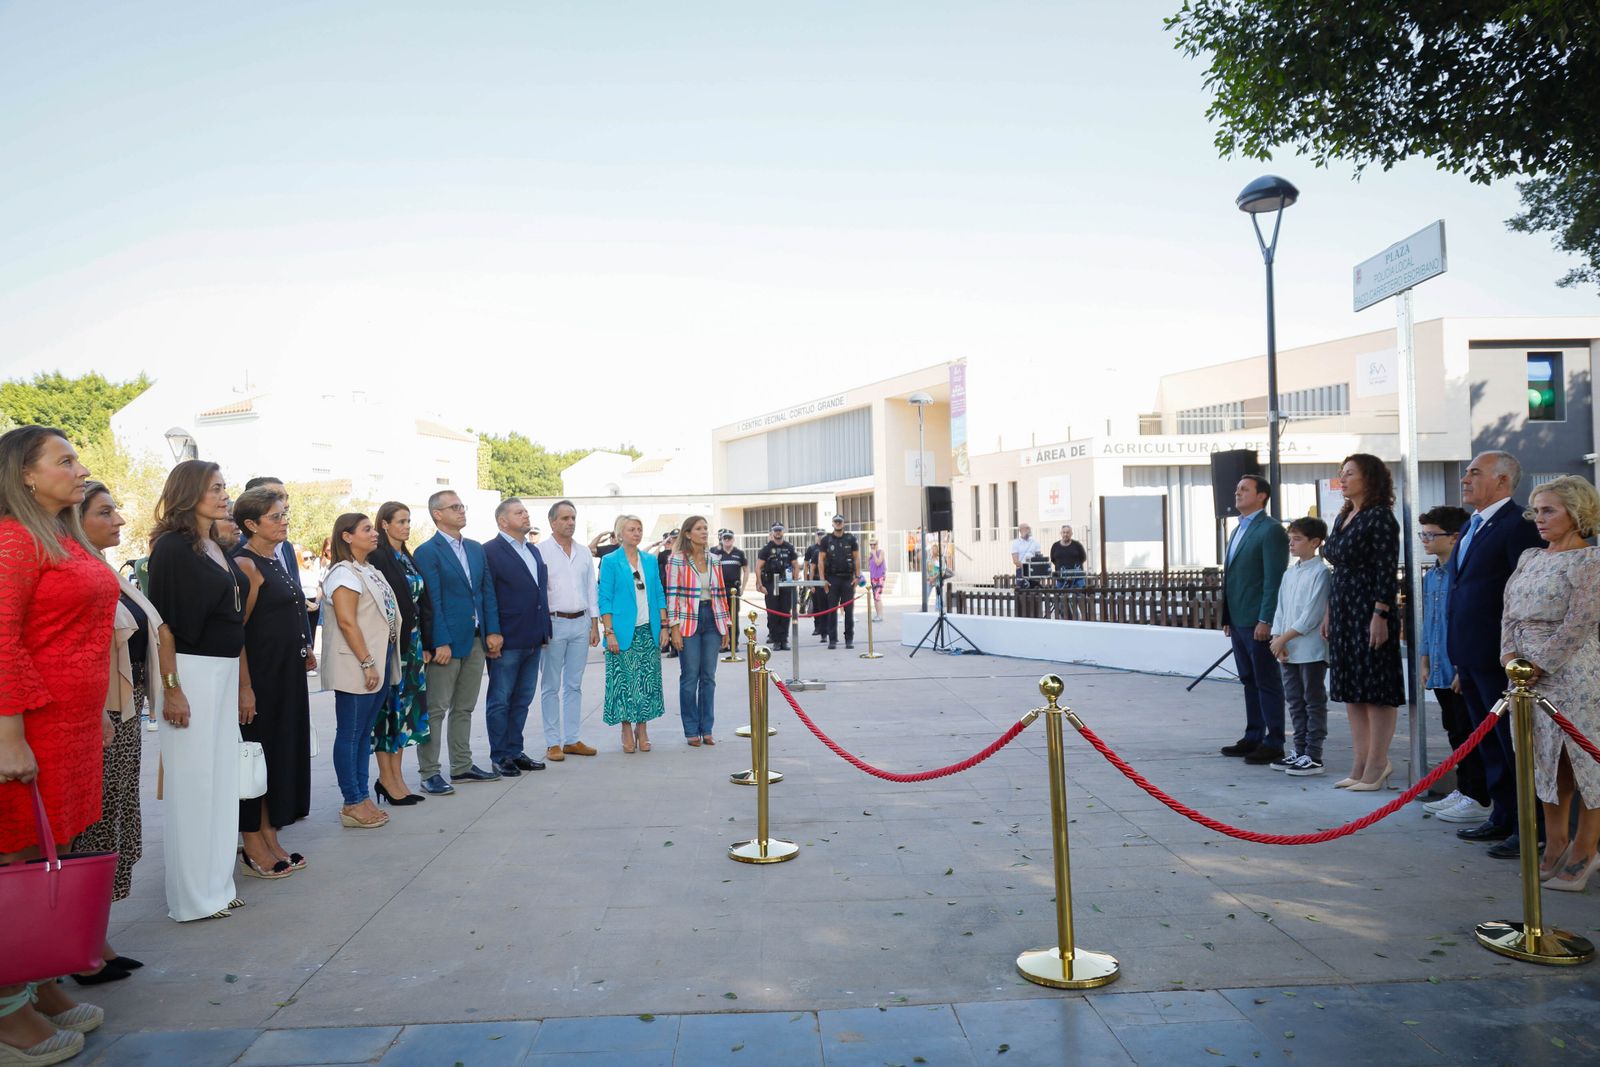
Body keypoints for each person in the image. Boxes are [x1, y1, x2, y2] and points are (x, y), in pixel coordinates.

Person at [0, 427, 120, 1059]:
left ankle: (38, 980)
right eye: (64, 460)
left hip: (69, 727)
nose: (79, 469)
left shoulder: (60, 534)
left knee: (52, 853)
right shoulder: (14, 538)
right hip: (30, 727)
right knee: (17, 860)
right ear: (25, 474)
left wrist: (94, 711)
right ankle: (6, 1012)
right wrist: (9, 736)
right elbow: (1, 639)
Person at [146, 459, 253, 922]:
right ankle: (192, 898)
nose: (225, 495)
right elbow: (164, 626)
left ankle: (217, 887)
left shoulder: (214, 544)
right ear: (189, 492)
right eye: (215, 488)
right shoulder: (171, 548)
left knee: (220, 783)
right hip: (190, 671)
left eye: (225, 486)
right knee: (192, 786)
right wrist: (172, 689)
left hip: (222, 671)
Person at [71, 481, 165, 986]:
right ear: (75, 518)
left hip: (124, 711)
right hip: (98, 714)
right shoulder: (71, 569)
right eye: (105, 512)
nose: (120, 521)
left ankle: (93, 940)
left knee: (117, 819)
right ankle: (78, 947)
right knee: (95, 827)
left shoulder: (103, 569)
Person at [1500, 476, 1600, 891]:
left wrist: (1538, 664)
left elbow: (1581, 621)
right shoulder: (1529, 557)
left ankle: (1586, 848)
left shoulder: (1590, 560)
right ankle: (1555, 841)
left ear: (1576, 513)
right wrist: (1510, 657)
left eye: (1548, 510)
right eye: (1536, 510)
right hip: (1523, 674)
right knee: (1543, 759)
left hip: (1573, 672)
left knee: (1582, 761)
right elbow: (1509, 612)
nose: (1538, 518)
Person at [1447, 451, 1545, 858]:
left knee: (1512, 743)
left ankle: (1531, 827)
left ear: (1503, 481)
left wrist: (1515, 653)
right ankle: (1503, 815)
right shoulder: (1472, 523)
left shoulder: (1519, 525)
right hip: (1470, 652)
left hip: (1501, 656)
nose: (1465, 479)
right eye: (1466, 472)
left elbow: (1523, 593)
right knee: (1488, 742)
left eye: (1475, 473)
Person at [232, 487, 314, 876]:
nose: (284, 521)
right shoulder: (245, 564)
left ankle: (271, 835)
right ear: (251, 524)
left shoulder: (276, 557)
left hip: (287, 674)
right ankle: (253, 844)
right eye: (275, 516)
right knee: (259, 758)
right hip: (261, 679)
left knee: (280, 756)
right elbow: (237, 632)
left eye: (284, 515)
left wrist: (303, 645)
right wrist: (245, 687)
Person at [1322, 453, 1405, 792]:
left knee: (1375, 689)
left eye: (1350, 473)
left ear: (1369, 478)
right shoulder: (1344, 516)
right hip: (1344, 608)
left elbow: (1386, 569)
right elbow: (1337, 569)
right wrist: (1330, 611)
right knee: (1351, 690)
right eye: (1341, 473)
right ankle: (1359, 762)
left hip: (1370, 608)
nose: (1342, 479)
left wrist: (1380, 613)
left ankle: (1378, 762)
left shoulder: (1380, 517)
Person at [412, 490, 503, 793]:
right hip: (446, 644)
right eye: (454, 507)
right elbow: (431, 601)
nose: (461, 511)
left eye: (462, 506)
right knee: (436, 709)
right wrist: (439, 640)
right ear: (437, 514)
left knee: (464, 707)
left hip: (475, 639)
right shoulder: (428, 552)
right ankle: (429, 772)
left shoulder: (475, 548)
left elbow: (486, 591)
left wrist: (492, 630)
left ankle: (462, 766)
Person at [321, 513, 402, 830]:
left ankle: (362, 796)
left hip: (379, 660)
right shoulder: (343, 573)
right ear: (347, 536)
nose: (374, 533)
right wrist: (367, 662)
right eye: (366, 529)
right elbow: (347, 622)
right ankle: (352, 801)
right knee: (351, 733)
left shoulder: (368, 569)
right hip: (358, 663)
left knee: (363, 733)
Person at [1416, 506, 1491, 825]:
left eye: (1431, 534)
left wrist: (1461, 666)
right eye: (1423, 534)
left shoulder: (1462, 574)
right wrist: (1424, 660)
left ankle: (1479, 796)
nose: (1425, 540)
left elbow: (1464, 622)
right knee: (1454, 731)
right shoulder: (1430, 576)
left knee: (1470, 730)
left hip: (1459, 665)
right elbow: (1428, 621)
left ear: (1454, 537)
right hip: (1438, 665)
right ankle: (1464, 788)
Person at [1218, 475, 1289, 766]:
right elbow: (1232, 577)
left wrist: (1266, 619)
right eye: (1237, 488)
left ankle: (1274, 741)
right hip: (1238, 619)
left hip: (1257, 620)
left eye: (1244, 489)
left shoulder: (1270, 530)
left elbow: (1273, 578)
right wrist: (1227, 616)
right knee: (1248, 679)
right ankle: (1253, 736)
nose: (1237, 493)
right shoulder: (1238, 529)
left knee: (1266, 680)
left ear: (1262, 496)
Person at [482, 499, 551, 777]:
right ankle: (500, 755)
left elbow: (539, 592)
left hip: (533, 636)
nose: (525, 515)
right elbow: (487, 595)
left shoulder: (532, 550)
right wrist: (492, 631)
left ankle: (514, 750)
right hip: (506, 638)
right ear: (502, 520)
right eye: (518, 512)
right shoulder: (490, 551)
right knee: (500, 699)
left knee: (522, 699)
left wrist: (544, 629)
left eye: (526, 512)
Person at [369, 502, 432, 804]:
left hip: (414, 645)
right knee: (389, 713)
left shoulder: (406, 557)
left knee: (406, 713)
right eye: (401, 521)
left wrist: (427, 643)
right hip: (392, 645)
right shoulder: (378, 557)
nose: (407, 527)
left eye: (408, 521)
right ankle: (386, 778)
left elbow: (421, 601)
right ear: (384, 524)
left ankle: (398, 779)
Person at [535, 500, 600, 761]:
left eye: (573, 517)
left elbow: (591, 589)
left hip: (581, 623)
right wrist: (541, 628)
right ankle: (553, 742)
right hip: (554, 623)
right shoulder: (540, 552)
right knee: (550, 685)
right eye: (564, 518)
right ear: (552, 522)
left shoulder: (583, 552)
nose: (570, 522)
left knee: (574, 684)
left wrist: (594, 624)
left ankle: (572, 739)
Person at [597, 515, 669, 753]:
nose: (636, 533)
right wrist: (609, 632)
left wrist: (664, 625)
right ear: (620, 534)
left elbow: (659, 593)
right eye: (631, 529)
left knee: (647, 682)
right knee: (623, 683)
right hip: (621, 632)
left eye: (639, 529)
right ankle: (626, 728)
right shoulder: (610, 561)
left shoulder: (650, 560)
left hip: (649, 629)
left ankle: (643, 727)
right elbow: (604, 598)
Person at [1268, 517, 1331, 777]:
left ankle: (1313, 754)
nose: (1291, 544)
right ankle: (1299, 748)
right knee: (1294, 700)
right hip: (1287, 648)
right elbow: (1281, 609)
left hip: (1310, 649)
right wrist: (1277, 638)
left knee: (1312, 701)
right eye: (1290, 539)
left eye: (1297, 539)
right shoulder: (1289, 573)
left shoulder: (1321, 573)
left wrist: (1283, 639)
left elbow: (1311, 615)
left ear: (1315, 542)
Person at [666, 516, 731, 745]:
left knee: (708, 677)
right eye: (699, 528)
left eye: (706, 528)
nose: (704, 532)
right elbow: (672, 595)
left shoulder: (715, 559)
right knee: (690, 676)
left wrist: (726, 627)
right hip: (688, 622)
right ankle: (691, 730)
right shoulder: (676, 560)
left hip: (712, 620)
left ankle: (707, 728)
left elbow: (721, 595)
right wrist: (674, 628)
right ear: (687, 533)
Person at [243, 476, 315, 656]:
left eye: (285, 497)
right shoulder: (243, 558)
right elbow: (240, 624)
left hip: (293, 654)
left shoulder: (287, 548)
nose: (285, 504)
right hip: (264, 657)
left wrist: (306, 643)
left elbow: (297, 599)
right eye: (277, 497)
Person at [816, 514, 861, 650]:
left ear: (843, 523)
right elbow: (820, 560)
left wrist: (858, 576)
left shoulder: (851, 539)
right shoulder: (826, 540)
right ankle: (832, 639)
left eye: (840, 522)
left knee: (849, 611)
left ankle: (849, 639)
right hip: (832, 580)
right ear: (832, 523)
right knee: (832, 611)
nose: (838, 524)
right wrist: (822, 579)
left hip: (847, 579)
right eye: (836, 522)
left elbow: (856, 558)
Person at [756, 523, 801, 650]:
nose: (778, 533)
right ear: (772, 533)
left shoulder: (789, 547)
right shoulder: (767, 549)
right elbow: (758, 568)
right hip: (771, 583)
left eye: (780, 530)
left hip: (786, 583)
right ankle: (776, 640)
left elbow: (795, 565)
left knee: (785, 612)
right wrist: (760, 584)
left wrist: (794, 581)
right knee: (773, 613)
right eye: (775, 530)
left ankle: (784, 640)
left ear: (783, 532)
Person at [710, 529, 747, 625]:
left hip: (734, 589)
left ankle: (734, 635)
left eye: (729, 538)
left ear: (733, 539)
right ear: (721, 539)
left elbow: (746, 570)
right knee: (720, 617)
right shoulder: (715, 553)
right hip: (719, 589)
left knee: (734, 617)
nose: (727, 540)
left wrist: (743, 588)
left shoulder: (739, 553)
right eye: (724, 538)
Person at [806, 530, 826, 640]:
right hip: (816, 581)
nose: (821, 537)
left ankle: (826, 629)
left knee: (827, 607)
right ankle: (818, 627)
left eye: (823, 535)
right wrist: (810, 583)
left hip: (827, 581)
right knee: (817, 606)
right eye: (819, 535)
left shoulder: (829, 549)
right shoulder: (813, 549)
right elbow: (809, 567)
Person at [867, 538, 887, 621]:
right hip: (873, 578)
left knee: (877, 596)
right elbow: (870, 566)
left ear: (877, 544)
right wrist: (869, 558)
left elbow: (878, 562)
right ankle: (877, 614)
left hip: (880, 577)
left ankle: (880, 615)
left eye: (874, 544)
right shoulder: (871, 554)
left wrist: (874, 554)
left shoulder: (880, 552)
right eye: (871, 544)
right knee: (875, 597)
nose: (872, 546)